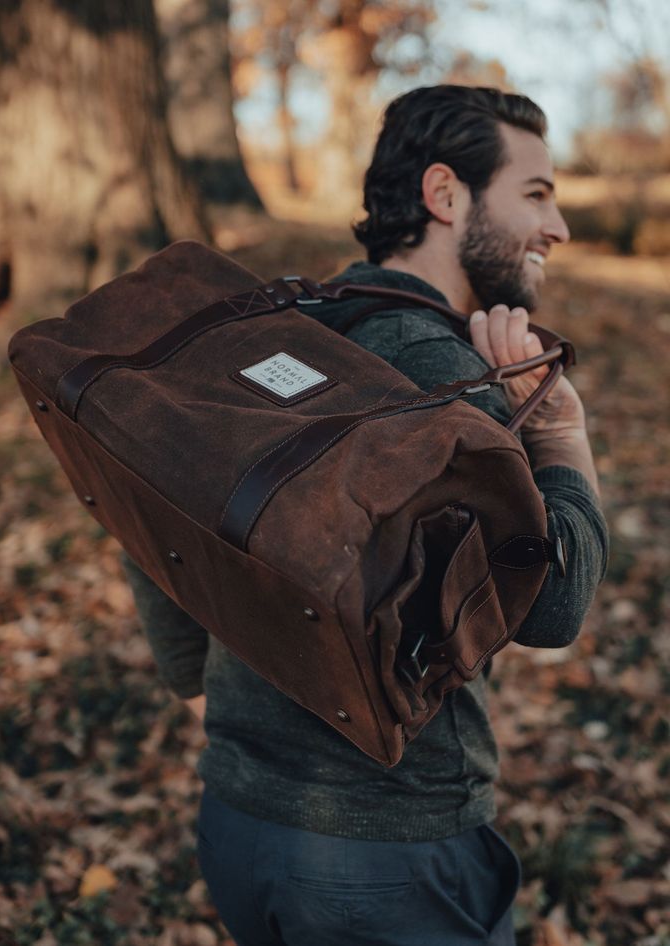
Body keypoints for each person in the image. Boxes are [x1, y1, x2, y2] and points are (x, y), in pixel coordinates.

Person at [121, 85, 608, 946]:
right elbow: (555, 607)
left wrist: (194, 674)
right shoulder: (435, 363)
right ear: (446, 196)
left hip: (236, 824)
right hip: (388, 864)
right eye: (536, 194)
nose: (559, 227)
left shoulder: (282, 330)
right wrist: (562, 434)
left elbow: (154, 492)